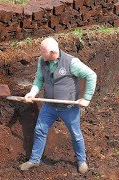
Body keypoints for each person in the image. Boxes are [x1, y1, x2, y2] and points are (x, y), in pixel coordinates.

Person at [19, 37, 97, 174]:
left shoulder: (72, 63)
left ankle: (81, 161)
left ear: (52, 52)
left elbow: (91, 75)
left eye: (42, 51)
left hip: (69, 108)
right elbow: (39, 80)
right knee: (40, 130)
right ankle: (34, 160)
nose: (40, 53)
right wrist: (32, 93)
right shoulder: (41, 61)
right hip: (49, 105)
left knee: (75, 134)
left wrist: (87, 98)